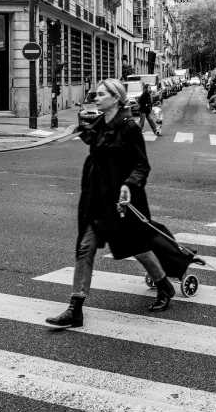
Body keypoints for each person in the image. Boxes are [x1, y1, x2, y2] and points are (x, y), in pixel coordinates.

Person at [45, 79, 175, 329]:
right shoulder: (97, 126)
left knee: (137, 247)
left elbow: (142, 165)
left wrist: (129, 185)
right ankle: (75, 309)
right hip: (95, 201)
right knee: (85, 249)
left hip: (121, 203)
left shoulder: (129, 128)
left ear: (116, 98)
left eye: (102, 94)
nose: (96, 96)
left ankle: (164, 285)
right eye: (96, 93)